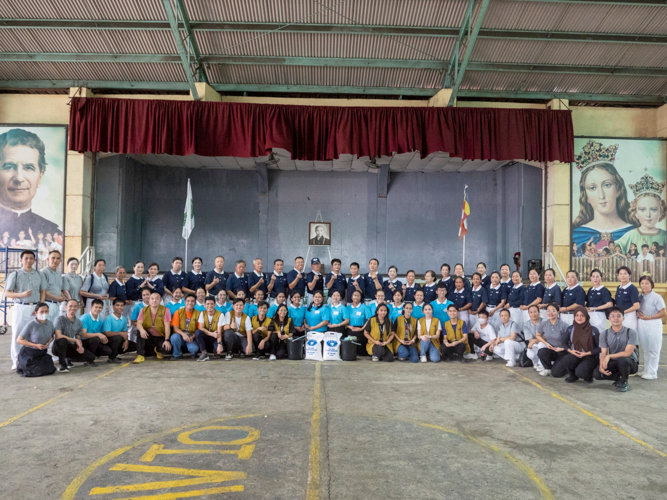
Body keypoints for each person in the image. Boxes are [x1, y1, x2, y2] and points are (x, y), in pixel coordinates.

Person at [571, 140, 633, 248]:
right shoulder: (576, 235)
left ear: (618, 189)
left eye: (607, 185)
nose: (601, 195)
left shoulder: (634, 233)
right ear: (586, 196)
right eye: (592, 188)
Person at [0, 129, 61, 238]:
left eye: (28, 168)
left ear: (40, 176)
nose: (19, 178)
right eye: (9, 167)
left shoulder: (52, 231)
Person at [6, 250, 46, 370]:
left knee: (35, 334)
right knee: (18, 333)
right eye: (26, 258)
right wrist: (21, 294)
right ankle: (17, 361)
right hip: (21, 306)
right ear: (21, 260)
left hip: (35, 308)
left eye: (31, 258)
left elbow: (42, 291)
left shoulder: (39, 274)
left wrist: (41, 306)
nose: (29, 261)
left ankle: (32, 359)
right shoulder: (16, 274)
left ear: (34, 260)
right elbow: (7, 293)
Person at [615, 176, 667, 254]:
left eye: (653, 209)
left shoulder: (664, 235)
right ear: (635, 213)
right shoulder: (631, 235)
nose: (648, 215)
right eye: (642, 209)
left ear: (661, 212)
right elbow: (614, 247)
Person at [593, 306, 639, 392]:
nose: (615, 318)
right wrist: (601, 366)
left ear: (623, 318)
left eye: (618, 316)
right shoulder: (604, 334)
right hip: (615, 361)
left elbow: (627, 353)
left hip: (630, 362)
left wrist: (609, 356)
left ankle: (624, 382)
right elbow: (603, 354)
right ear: (608, 318)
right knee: (597, 374)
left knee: (623, 360)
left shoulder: (631, 332)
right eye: (612, 316)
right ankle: (619, 377)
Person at [53, 299, 97, 372]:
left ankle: (69, 359)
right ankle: (62, 365)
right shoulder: (59, 319)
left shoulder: (78, 322)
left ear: (78, 308)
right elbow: (58, 336)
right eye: (70, 306)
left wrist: (80, 346)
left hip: (70, 346)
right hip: (58, 347)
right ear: (66, 307)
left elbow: (78, 337)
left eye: (75, 306)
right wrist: (75, 340)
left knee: (91, 357)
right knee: (62, 341)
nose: (72, 308)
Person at [560, 306, 601, 383]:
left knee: (581, 373)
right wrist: (571, 351)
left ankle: (588, 376)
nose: (579, 317)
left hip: (590, 356)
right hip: (575, 354)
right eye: (577, 315)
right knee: (566, 359)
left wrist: (586, 353)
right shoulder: (570, 328)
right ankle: (572, 376)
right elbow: (564, 343)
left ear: (586, 316)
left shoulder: (593, 330)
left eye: (582, 315)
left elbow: (600, 348)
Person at [15, 303, 56, 377]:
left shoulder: (50, 324)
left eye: (46, 311)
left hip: (42, 353)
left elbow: (52, 336)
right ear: (36, 313)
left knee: (50, 369)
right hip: (29, 353)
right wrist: (35, 345)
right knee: (36, 371)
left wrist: (48, 342)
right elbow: (19, 340)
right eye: (41, 312)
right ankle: (21, 365)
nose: (44, 313)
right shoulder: (31, 325)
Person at [636, 275, 665, 380]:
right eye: (642, 283)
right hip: (642, 323)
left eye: (647, 283)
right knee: (646, 348)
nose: (644, 285)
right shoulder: (639, 297)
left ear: (652, 285)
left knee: (653, 348)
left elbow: (663, 312)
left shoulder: (657, 297)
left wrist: (649, 317)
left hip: (653, 323)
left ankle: (653, 372)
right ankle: (646, 369)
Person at [134, 291, 172, 364]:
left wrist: (167, 340)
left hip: (160, 336)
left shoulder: (165, 310)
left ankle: (157, 350)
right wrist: (142, 330)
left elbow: (167, 326)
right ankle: (140, 355)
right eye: (152, 299)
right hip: (149, 336)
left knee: (167, 349)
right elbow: (139, 324)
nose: (154, 300)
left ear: (160, 300)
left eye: (157, 299)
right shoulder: (144, 310)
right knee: (139, 331)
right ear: (149, 300)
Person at [536, 304, 570, 377]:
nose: (550, 313)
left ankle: (566, 367)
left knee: (556, 374)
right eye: (548, 311)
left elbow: (572, 341)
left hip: (563, 351)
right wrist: (546, 343)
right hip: (552, 350)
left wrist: (562, 348)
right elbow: (537, 335)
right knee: (541, 351)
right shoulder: (544, 324)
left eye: (553, 311)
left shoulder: (564, 325)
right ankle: (547, 368)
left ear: (558, 312)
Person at [169, 293, 200, 360]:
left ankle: (193, 353)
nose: (190, 303)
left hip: (191, 337)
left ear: (195, 303)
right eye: (188, 301)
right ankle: (177, 354)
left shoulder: (198, 314)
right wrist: (183, 335)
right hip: (180, 335)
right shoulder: (178, 312)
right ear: (185, 302)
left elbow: (199, 329)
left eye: (192, 301)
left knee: (194, 349)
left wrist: (193, 336)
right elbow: (175, 328)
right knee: (174, 337)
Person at [40, 250, 67, 322]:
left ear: (60, 260)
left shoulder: (58, 272)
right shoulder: (43, 272)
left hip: (57, 305)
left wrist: (62, 296)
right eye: (53, 258)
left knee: (53, 328)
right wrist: (56, 298)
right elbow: (42, 291)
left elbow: (58, 287)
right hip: (47, 304)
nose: (55, 260)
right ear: (48, 259)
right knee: (45, 327)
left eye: (58, 258)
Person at [195, 297, 224, 362]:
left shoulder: (220, 314)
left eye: (212, 304)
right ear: (205, 305)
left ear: (215, 305)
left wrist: (219, 344)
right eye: (207, 304)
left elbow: (219, 331)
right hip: (206, 336)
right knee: (198, 332)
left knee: (219, 349)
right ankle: (204, 353)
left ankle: (215, 349)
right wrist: (211, 334)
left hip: (215, 337)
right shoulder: (202, 313)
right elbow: (201, 327)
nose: (210, 306)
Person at [586, 269, 613, 333]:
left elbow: (610, 304)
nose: (595, 279)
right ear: (591, 278)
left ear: (601, 278)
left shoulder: (604, 290)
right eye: (593, 276)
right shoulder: (590, 290)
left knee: (599, 335)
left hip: (599, 315)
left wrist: (595, 308)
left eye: (597, 277)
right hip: (589, 315)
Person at [346, 290, 370, 355]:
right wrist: (349, 327)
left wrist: (362, 328)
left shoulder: (365, 307)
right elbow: (344, 320)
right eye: (355, 295)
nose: (356, 297)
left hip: (361, 329)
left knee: (361, 351)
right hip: (350, 329)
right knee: (351, 351)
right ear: (351, 297)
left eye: (358, 296)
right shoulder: (347, 308)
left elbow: (369, 320)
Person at [616, 266, 640, 330]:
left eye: (625, 274)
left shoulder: (632, 288)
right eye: (620, 274)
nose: (622, 276)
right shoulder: (619, 288)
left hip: (629, 316)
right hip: (620, 316)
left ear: (629, 276)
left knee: (629, 336)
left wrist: (623, 312)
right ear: (618, 276)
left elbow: (636, 306)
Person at [522, 305, 546, 371]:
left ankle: (542, 364)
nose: (533, 314)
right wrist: (534, 341)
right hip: (534, 344)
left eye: (535, 312)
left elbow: (546, 338)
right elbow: (530, 339)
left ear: (539, 312)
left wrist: (534, 341)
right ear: (528, 314)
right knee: (530, 353)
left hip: (544, 344)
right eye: (531, 312)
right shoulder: (526, 324)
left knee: (541, 344)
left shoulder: (545, 322)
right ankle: (535, 364)